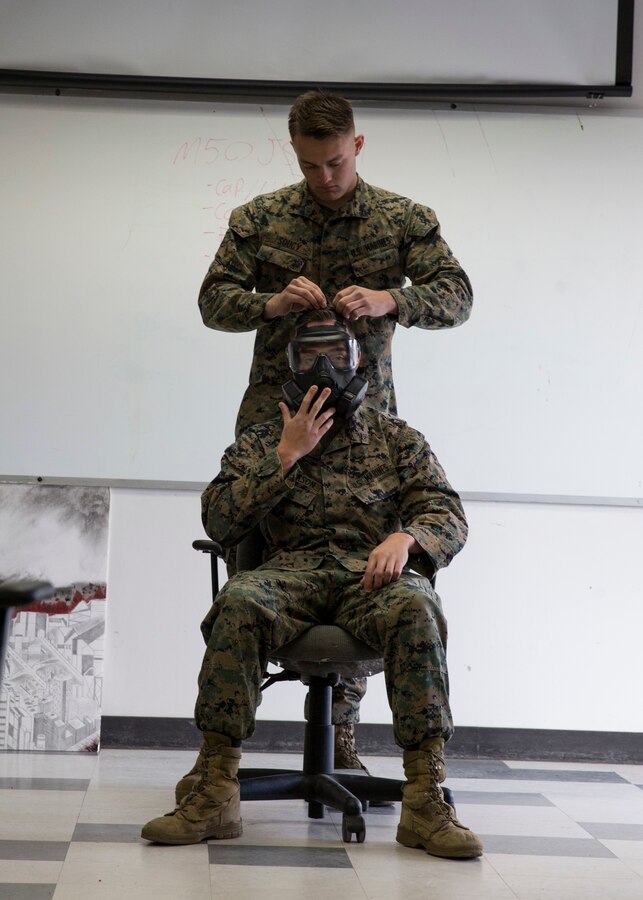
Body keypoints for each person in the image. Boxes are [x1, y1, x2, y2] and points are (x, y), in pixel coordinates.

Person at [194, 89, 474, 772]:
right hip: (275, 419)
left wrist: (391, 299)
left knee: (359, 559)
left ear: (357, 145)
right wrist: (269, 303)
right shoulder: (259, 220)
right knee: (259, 564)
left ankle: (341, 736)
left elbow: (456, 296)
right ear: (294, 152)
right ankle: (226, 758)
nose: (323, 177)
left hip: (361, 421)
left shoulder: (402, 218)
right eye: (309, 164)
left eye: (334, 162)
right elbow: (213, 302)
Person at [142, 314, 483, 860]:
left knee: (417, 606)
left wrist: (407, 537)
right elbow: (220, 519)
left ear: (358, 361)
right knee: (239, 601)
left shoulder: (397, 440)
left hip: (367, 576)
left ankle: (425, 799)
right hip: (290, 574)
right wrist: (286, 455)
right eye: (309, 355)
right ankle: (215, 788)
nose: (324, 367)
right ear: (291, 364)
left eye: (336, 353)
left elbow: (447, 513)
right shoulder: (261, 441)